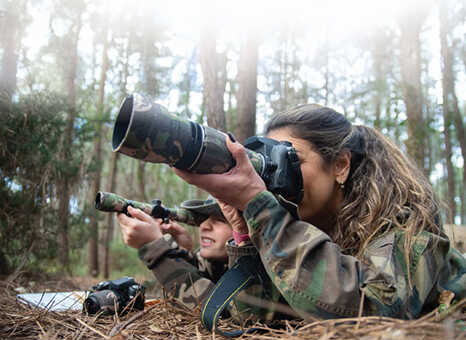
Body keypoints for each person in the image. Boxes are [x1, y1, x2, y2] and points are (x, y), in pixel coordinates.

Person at [174, 104, 466, 320]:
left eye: (292, 160)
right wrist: (245, 236)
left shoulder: (403, 227)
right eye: (271, 167)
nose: (277, 180)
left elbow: (372, 312)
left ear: (340, 165)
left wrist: (262, 210)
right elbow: (262, 321)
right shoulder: (307, 228)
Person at [117, 196, 233, 308]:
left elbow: (220, 310)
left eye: (219, 220)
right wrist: (183, 253)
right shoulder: (219, 262)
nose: (203, 226)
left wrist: (156, 248)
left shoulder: (251, 269)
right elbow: (206, 284)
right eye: (203, 219)